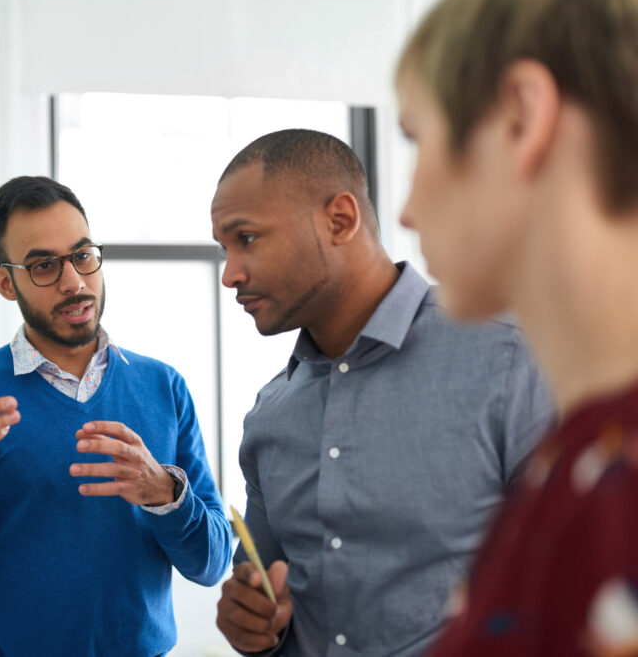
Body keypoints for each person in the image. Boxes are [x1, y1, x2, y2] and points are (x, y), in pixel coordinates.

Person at [210, 129, 555, 656]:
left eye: (248, 239)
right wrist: (255, 624)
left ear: (340, 220)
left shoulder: (511, 359)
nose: (230, 274)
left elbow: (583, 583)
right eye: (224, 249)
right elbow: (268, 595)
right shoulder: (270, 415)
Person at [396, 0, 638, 654]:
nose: (407, 208)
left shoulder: (616, 485)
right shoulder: (583, 453)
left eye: (416, 138)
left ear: (519, 119)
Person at [0, 175, 231, 656]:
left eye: (82, 255)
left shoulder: (164, 387)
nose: (75, 282)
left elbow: (212, 564)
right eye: (44, 266)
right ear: (6, 283)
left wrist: (163, 492)